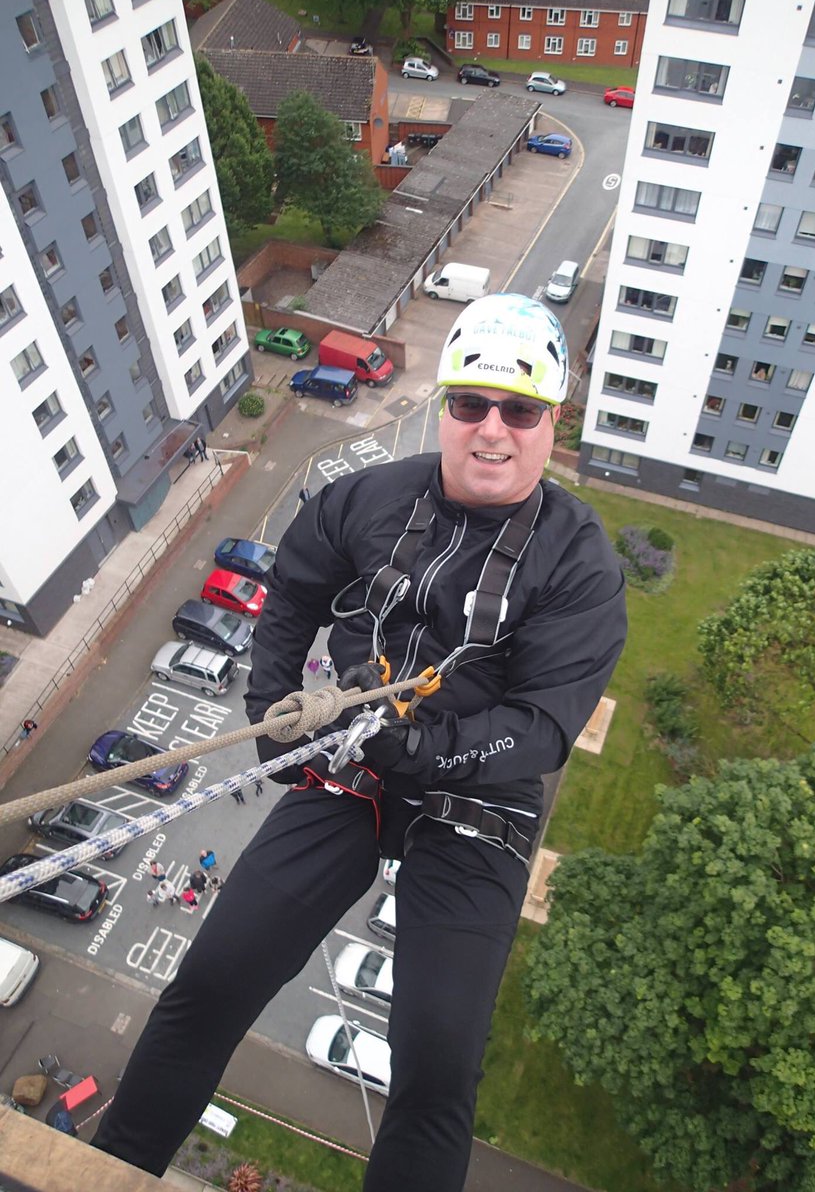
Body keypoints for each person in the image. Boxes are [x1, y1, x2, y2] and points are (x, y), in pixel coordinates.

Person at [93, 294, 627, 1190]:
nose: (492, 430)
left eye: (521, 410)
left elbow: (540, 726)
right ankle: (108, 1171)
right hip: (352, 764)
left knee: (437, 1072)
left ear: (551, 424)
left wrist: (417, 755)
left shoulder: (577, 563)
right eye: (470, 404)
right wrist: (273, 710)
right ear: (445, 407)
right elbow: (296, 585)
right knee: (208, 986)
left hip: (477, 795)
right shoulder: (372, 498)